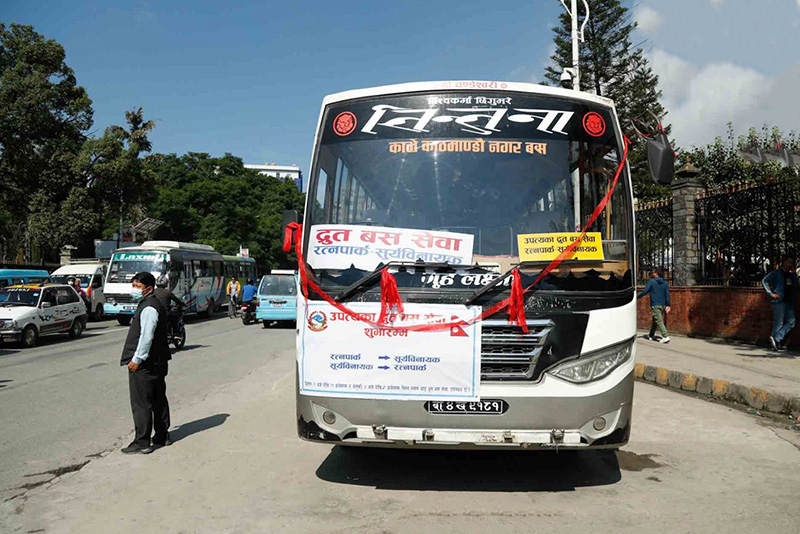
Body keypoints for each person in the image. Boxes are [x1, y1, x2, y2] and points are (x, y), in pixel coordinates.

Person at [120, 272, 172, 454]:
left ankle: (142, 441)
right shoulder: (151, 303)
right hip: (158, 361)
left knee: (142, 402)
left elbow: (146, 336)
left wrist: (137, 359)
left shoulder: (149, 307)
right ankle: (162, 435)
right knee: (158, 398)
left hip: (146, 364)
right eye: (133, 285)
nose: (134, 290)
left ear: (148, 289)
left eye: (137, 287)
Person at [762, 255, 798, 351]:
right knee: (778, 323)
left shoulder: (791, 275)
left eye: (792, 262)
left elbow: (796, 285)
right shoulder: (777, 273)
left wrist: (794, 274)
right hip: (779, 301)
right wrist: (771, 293)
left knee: (791, 322)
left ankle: (776, 338)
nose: (790, 264)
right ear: (784, 262)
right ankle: (775, 344)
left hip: (789, 302)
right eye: (789, 262)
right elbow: (764, 281)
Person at [638, 267, 671, 343]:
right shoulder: (665, 283)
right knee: (655, 320)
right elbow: (667, 295)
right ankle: (651, 335)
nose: (652, 273)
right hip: (662, 305)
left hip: (655, 304)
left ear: (656, 273)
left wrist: (636, 297)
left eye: (653, 272)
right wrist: (668, 305)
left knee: (659, 321)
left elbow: (644, 291)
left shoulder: (651, 282)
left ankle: (665, 336)